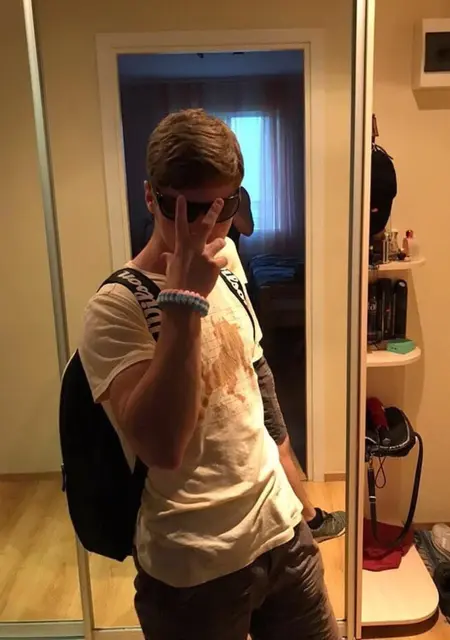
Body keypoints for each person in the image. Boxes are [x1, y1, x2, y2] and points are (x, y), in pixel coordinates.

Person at [79, 109, 340, 640]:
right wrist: (182, 301)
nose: (209, 228)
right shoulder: (115, 308)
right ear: (151, 198)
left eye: (226, 206)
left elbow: (257, 384)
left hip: (283, 535)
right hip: (193, 571)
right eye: (193, 209)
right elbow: (162, 446)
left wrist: (302, 505)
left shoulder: (229, 261)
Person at [227, 185, 254, 251]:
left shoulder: (238, 192)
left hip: (228, 253)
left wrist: (230, 206)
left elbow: (248, 230)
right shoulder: (202, 191)